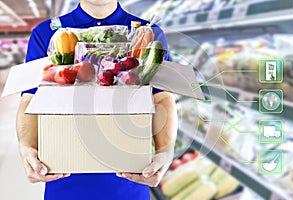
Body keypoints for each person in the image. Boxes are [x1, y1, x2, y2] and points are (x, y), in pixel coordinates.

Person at [16, 0, 177, 199]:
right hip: (64, 183)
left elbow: (162, 97)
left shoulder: (148, 33)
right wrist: (27, 147)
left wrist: (165, 152)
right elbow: (30, 99)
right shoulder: (46, 33)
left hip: (129, 183)